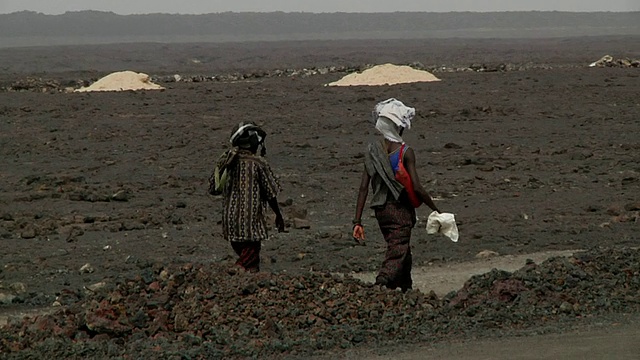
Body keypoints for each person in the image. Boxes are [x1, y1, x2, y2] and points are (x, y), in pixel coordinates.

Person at [352, 98, 441, 292]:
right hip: (399, 211)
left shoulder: (372, 150)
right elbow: (416, 187)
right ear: (398, 127)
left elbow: (363, 188)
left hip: (381, 212)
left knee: (401, 248)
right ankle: (381, 285)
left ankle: (406, 288)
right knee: (397, 250)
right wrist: (436, 210)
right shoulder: (405, 152)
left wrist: (357, 221)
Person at [210, 122, 285, 272]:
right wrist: (278, 215)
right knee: (249, 258)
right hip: (250, 224)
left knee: (250, 260)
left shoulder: (226, 160)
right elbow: (270, 193)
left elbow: (213, 187)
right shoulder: (258, 163)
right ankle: (234, 276)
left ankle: (246, 282)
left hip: (230, 222)